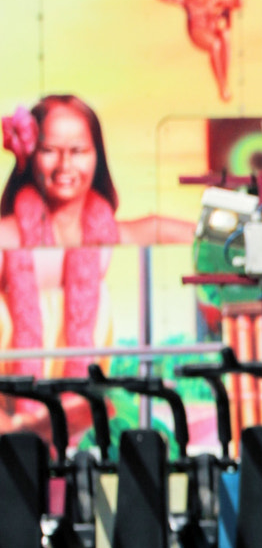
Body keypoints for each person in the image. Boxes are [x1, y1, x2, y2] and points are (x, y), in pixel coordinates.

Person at [0, 94, 192, 383]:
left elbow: (160, 228)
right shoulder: (6, 238)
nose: (65, 164)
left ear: (96, 156)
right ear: (30, 156)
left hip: (82, 406)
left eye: (78, 150)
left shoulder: (105, 236)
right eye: (49, 149)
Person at [156, 0, 242, 103]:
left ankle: (225, 82)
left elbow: (237, 3)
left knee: (225, 35)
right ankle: (222, 86)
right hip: (197, 32)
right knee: (215, 44)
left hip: (210, 30)